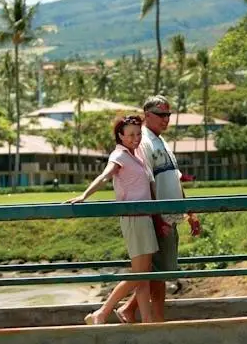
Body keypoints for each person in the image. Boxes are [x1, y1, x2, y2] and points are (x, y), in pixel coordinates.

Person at [65, 115, 165, 324]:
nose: (135, 138)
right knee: (140, 273)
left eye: (138, 134)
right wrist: (84, 195)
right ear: (120, 136)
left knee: (144, 274)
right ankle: (101, 313)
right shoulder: (119, 155)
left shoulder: (136, 154)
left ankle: (145, 320)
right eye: (130, 135)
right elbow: (104, 176)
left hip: (144, 218)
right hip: (133, 219)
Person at [115, 95, 201, 323]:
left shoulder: (161, 142)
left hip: (169, 216)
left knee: (159, 272)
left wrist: (189, 212)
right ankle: (144, 316)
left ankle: (136, 312)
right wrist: (158, 219)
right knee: (155, 273)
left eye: (168, 115)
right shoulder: (144, 143)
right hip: (158, 217)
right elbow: (148, 184)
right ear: (147, 116)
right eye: (161, 114)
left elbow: (175, 179)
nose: (166, 119)